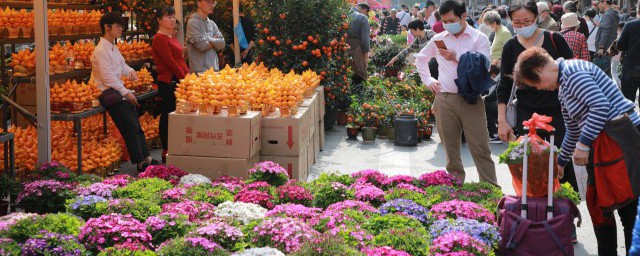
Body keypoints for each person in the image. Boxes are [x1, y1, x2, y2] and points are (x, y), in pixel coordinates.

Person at [513, 46, 640, 256]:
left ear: (540, 70)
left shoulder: (573, 74)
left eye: (536, 83)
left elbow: (600, 106)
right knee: (600, 206)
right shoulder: (563, 85)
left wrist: (583, 145)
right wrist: (561, 162)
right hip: (605, 144)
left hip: (620, 140)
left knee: (628, 207)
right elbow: (573, 128)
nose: (539, 89)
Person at [496, 1, 579, 242]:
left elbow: (571, 74)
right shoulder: (511, 46)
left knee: (561, 167)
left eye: (527, 21)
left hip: (559, 112)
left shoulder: (555, 40)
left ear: (537, 18)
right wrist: (502, 121)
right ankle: (533, 214)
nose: (522, 26)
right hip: (526, 116)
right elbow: (503, 85)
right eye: (517, 23)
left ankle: (566, 219)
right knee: (528, 167)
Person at [415, 0, 498, 186]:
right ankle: (455, 191)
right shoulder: (439, 39)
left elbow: (484, 67)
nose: (447, 24)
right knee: (451, 150)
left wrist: (456, 58)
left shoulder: (479, 38)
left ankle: (491, 190)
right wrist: (429, 80)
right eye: (444, 21)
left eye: (451, 20)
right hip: (445, 99)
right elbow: (421, 59)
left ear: (463, 16)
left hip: (471, 99)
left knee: (481, 148)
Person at [92, 12, 157, 172]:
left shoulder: (113, 47)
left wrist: (131, 72)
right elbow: (107, 78)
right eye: (118, 26)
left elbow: (122, 65)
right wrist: (125, 93)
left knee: (136, 124)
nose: (121, 29)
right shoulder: (100, 50)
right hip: (108, 94)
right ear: (107, 27)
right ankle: (140, 162)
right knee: (130, 127)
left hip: (118, 91)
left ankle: (146, 157)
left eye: (122, 26)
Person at [152, 7, 190, 163]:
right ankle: (166, 149)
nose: (173, 19)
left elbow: (179, 60)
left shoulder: (171, 37)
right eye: (169, 17)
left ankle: (174, 147)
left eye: (173, 17)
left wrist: (188, 76)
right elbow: (170, 62)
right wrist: (185, 78)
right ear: (160, 20)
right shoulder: (159, 38)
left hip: (178, 80)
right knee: (168, 115)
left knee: (175, 115)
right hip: (168, 82)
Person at [186, 0, 224, 73]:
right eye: (208, 2)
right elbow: (202, 46)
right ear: (199, 3)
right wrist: (215, 40)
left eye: (213, 2)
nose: (212, 5)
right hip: (199, 72)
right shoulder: (193, 23)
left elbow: (222, 44)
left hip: (214, 70)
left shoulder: (212, 24)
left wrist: (207, 38)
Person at [617, 3, 640, 104]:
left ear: (638, 10)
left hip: (631, 67)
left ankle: (631, 119)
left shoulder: (630, 25)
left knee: (627, 101)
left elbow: (620, 46)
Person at [348, 3, 371, 88]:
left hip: (342, 49)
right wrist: (365, 57)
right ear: (365, 10)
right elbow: (365, 40)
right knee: (359, 74)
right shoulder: (362, 18)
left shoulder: (344, 15)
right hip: (357, 50)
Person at [610, 22, 624, 87]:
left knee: (613, 72)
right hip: (622, 57)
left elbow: (613, 48)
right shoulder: (625, 37)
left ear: (618, 28)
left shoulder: (617, 37)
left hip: (615, 57)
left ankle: (619, 84)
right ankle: (619, 84)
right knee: (619, 72)